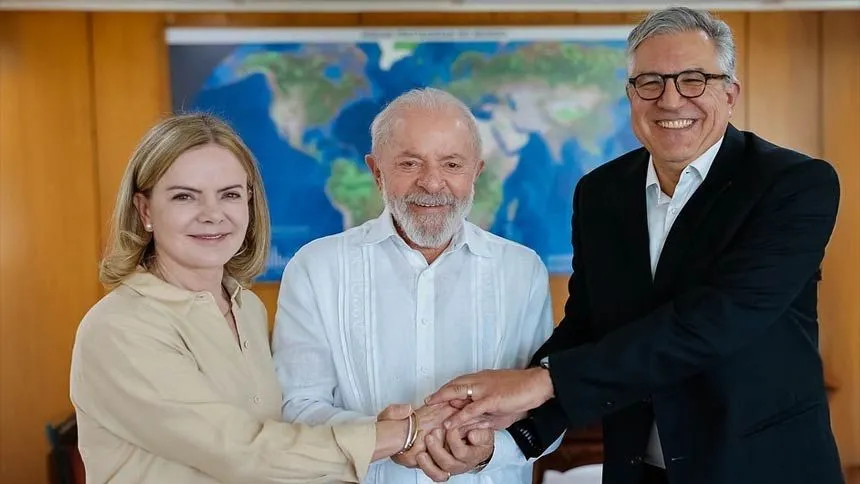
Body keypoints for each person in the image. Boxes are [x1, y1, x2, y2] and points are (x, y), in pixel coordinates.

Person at [426, 7, 844, 484]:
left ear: (729, 95)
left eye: (693, 79)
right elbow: (588, 324)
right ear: (631, 96)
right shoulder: (600, 192)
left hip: (764, 470)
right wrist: (515, 432)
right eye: (650, 82)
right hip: (637, 471)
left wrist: (542, 382)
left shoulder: (793, 185)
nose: (670, 99)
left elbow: (713, 322)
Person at [69, 113, 432, 484]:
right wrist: (396, 434)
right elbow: (243, 452)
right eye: (184, 196)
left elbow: (277, 450)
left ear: (249, 203)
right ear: (145, 210)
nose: (212, 215)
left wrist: (382, 433)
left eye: (229, 194)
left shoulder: (246, 308)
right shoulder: (119, 328)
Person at [271, 87, 557, 483]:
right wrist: (389, 437)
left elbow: (546, 413)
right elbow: (296, 408)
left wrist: (490, 450)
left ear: (476, 172)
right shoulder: (315, 268)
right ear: (376, 171)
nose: (433, 183)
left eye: (452, 164)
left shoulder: (523, 271)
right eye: (410, 163)